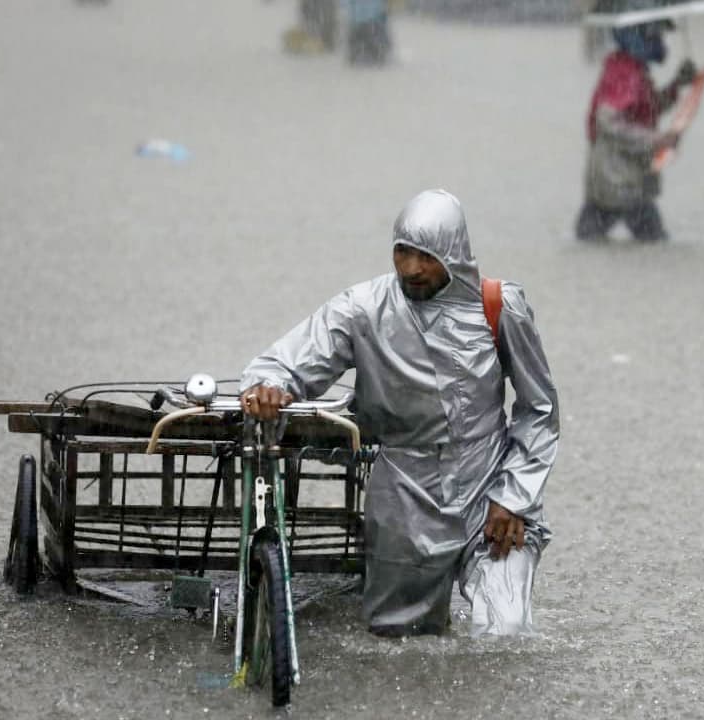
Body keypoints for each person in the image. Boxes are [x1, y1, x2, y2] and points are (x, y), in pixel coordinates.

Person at [239, 190, 559, 638]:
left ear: (454, 255)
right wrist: (270, 388)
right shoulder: (363, 309)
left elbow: (539, 407)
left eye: (425, 256)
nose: (411, 268)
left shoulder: (499, 307)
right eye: (402, 252)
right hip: (404, 494)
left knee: (504, 632)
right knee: (399, 640)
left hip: (489, 488)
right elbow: (284, 362)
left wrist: (514, 496)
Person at [575, 14, 697, 243]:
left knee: (588, 239)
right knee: (654, 242)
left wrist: (678, 84)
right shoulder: (625, 73)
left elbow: (646, 110)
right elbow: (609, 121)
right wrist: (657, 139)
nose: (660, 41)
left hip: (614, 180)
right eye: (655, 35)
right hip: (620, 180)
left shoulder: (631, 69)